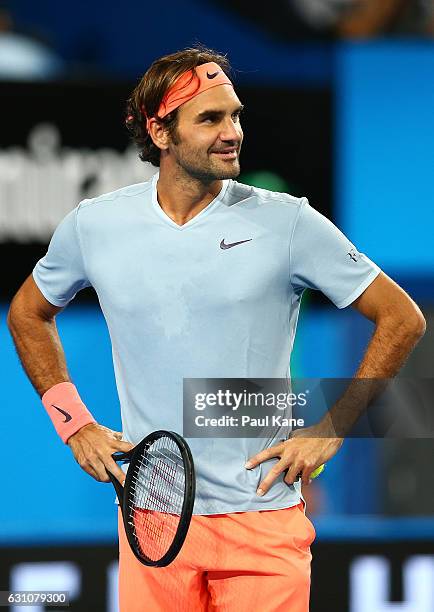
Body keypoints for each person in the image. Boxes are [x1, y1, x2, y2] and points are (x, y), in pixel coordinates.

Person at [7, 46, 425, 612]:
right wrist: (73, 422)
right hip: (154, 521)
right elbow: (28, 313)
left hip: (263, 519)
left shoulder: (289, 221)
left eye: (236, 115)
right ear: (160, 132)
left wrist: (334, 424)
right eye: (210, 118)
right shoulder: (94, 225)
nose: (233, 132)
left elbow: (402, 317)